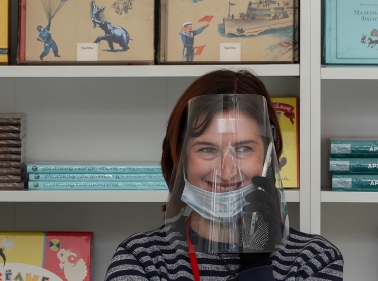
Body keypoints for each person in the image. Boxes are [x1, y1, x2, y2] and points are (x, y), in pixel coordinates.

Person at [106, 70, 344, 281]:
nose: (227, 171)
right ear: (180, 158)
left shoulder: (315, 258)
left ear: (269, 158)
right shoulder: (141, 258)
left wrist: (257, 265)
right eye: (207, 149)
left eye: (243, 148)